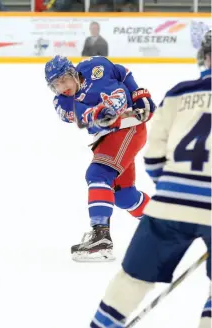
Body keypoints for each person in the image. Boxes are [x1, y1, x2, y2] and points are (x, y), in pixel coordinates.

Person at [90, 30, 211, 328]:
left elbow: (154, 160)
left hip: (168, 202)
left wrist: (175, 191)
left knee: (130, 281)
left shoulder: (178, 93)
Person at [44, 55, 156, 262]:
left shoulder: (96, 65)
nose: (62, 87)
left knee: (98, 173)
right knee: (124, 195)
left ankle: (101, 237)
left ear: (73, 72)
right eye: (55, 85)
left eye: (64, 79)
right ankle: (162, 225)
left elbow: (123, 73)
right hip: (108, 137)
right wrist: (97, 114)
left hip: (128, 128)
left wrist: (140, 96)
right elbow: (81, 115)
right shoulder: (62, 103)